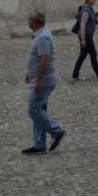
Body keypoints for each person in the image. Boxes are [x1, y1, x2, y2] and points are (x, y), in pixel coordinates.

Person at [22, 10, 65, 154]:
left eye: (29, 19)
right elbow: (37, 57)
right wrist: (30, 73)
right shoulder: (39, 35)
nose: (28, 21)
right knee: (40, 110)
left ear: (35, 22)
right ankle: (39, 144)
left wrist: (39, 80)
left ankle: (57, 131)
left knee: (34, 110)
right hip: (39, 79)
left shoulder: (42, 37)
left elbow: (45, 59)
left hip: (44, 80)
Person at [71, 0, 98, 79]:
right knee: (93, 53)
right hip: (86, 35)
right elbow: (82, 25)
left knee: (83, 55)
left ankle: (75, 75)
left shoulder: (90, 9)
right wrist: (83, 39)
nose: (94, 0)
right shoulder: (85, 10)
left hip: (88, 35)